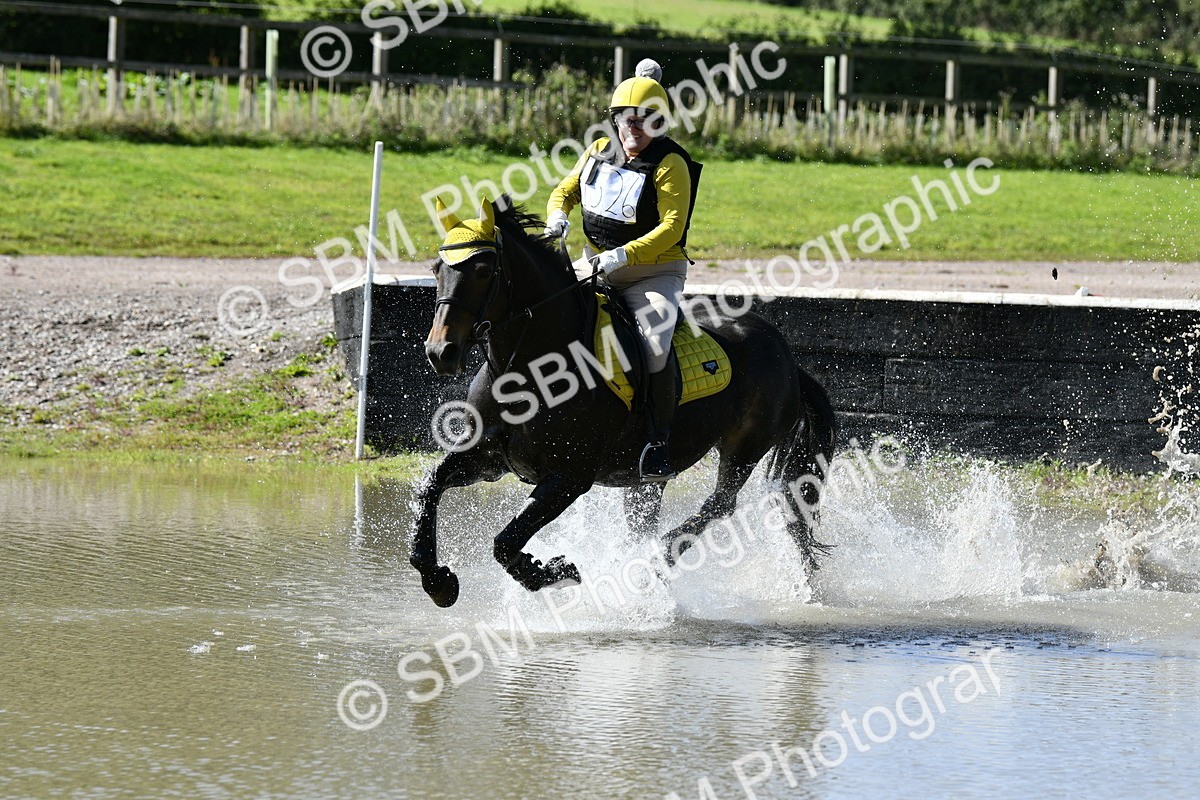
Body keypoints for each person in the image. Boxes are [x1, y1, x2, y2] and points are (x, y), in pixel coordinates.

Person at [544, 59, 701, 483]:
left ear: (659, 121)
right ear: (615, 120)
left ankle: (658, 442)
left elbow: (672, 228)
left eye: (645, 120)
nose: (634, 128)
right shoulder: (598, 150)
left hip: (653, 274)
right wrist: (556, 215)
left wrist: (622, 257)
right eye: (626, 120)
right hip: (596, 264)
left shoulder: (671, 164)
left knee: (653, 343)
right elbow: (567, 189)